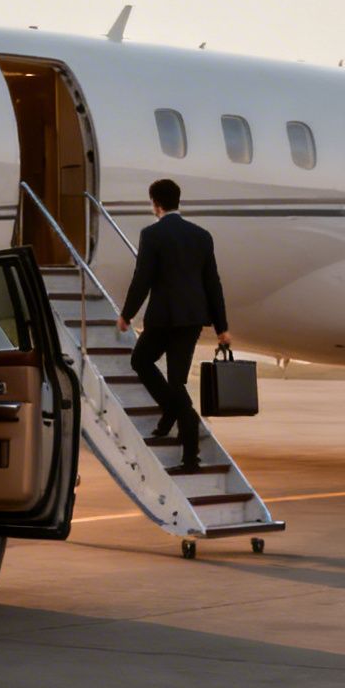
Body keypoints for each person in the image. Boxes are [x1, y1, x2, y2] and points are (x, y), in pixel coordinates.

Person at [116, 178, 230, 471]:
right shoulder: (201, 236)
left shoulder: (152, 234)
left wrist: (127, 314)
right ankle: (188, 452)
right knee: (177, 380)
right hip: (192, 318)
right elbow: (212, 283)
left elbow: (143, 278)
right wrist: (222, 327)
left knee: (141, 360)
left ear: (155, 204)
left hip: (163, 317)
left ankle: (181, 415)